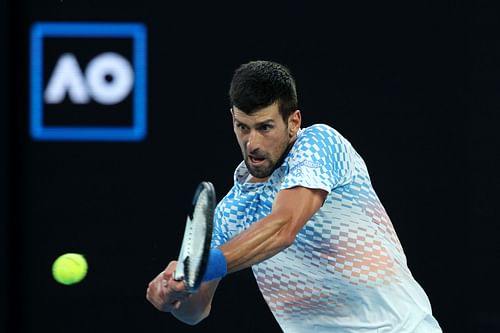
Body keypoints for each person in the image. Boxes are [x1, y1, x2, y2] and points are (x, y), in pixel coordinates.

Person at [146, 60, 442, 332]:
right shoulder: (230, 212)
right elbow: (197, 311)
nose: (253, 143)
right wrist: (175, 293)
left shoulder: (319, 144)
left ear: (294, 122)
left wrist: (202, 265)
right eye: (242, 127)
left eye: (265, 127)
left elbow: (283, 226)